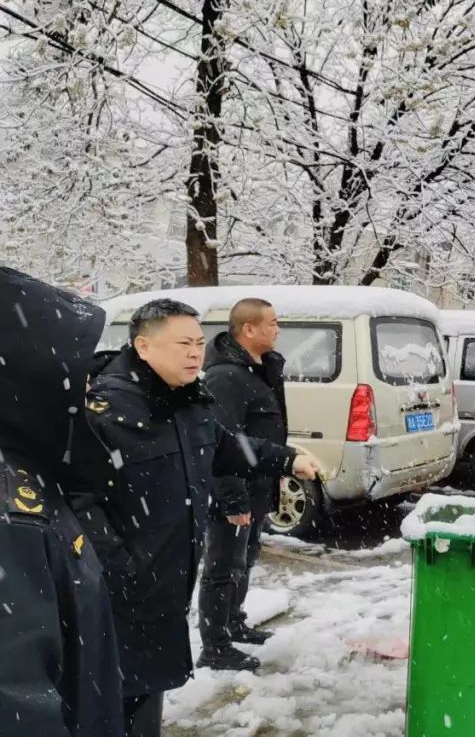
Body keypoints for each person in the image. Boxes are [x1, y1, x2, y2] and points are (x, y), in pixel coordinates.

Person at [76, 298, 318, 737]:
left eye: (200, 343)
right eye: (183, 343)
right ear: (144, 346)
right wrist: (117, 566)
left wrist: (287, 460)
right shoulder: (107, 410)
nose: (195, 353)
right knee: (109, 704)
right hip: (117, 595)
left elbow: (225, 446)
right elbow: (75, 497)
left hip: (164, 585)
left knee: (148, 696)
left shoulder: (188, 400)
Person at [0, 266, 124, 737]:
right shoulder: (13, 521)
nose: (90, 384)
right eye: (75, 369)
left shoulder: (26, 469)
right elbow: (19, 711)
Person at [197, 298, 288, 670]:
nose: (277, 329)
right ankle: (214, 646)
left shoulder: (256, 370)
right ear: (248, 329)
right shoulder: (226, 377)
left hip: (258, 489)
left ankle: (233, 622)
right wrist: (233, 500)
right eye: (272, 322)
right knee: (222, 567)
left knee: (243, 562)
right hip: (235, 493)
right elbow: (220, 441)